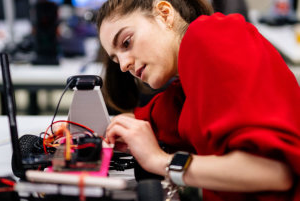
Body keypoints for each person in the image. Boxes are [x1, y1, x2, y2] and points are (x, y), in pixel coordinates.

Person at [96, 0, 300, 200]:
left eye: (126, 42)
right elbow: (139, 123)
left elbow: (273, 172)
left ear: (164, 13)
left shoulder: (208, 35)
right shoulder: (185, 87)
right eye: (116, 59)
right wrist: (80, 135)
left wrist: (159, 161)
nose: (123, 65)